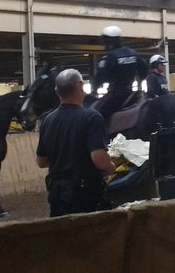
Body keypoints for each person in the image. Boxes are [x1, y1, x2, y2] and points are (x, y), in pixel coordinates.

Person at [35, 69, 114, 217]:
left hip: (57, 193)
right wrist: (111, 167)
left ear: (57, 91)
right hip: (85, 194)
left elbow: (41, 161)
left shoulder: (47, 120)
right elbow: (99, 160)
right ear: (80, 85)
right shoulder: (92, 117)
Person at [91, 25, 139, 124]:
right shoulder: (133, 53)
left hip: (116, 96)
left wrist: (95, 89)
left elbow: (100, 78)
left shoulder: (111, 57)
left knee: (95, 115)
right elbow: (144, 69)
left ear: (108, 42)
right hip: (132, 93)